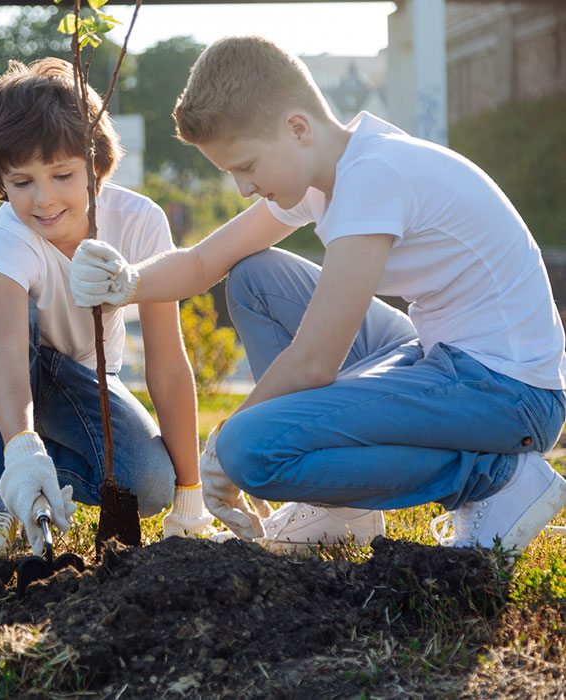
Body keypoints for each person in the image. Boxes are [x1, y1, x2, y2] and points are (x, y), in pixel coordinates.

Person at [68, 36, 566, 555]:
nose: (242, 187)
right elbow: (202, 263)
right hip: (442, 355)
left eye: (246, 166)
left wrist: (223, 448)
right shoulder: (335, 168)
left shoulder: (372, 178)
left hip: (508, 391)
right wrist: (127, 283)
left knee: (250, 449)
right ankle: (341, 509)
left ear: (298, 128)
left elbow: (313, 364)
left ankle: (496, 478)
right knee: (255, 277)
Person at [0, 57, 212, 559]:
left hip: (75, 380)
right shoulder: (7, 243)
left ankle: (33, 470)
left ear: (96, 166)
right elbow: (7, 364)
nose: (44, 200)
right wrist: (19, 449)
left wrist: (190, 498)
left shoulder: (141, 224)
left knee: (148, 485)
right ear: (0, 181)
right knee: (16, 317)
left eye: (62, 174)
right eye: (21, 183)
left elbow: (168, 363)